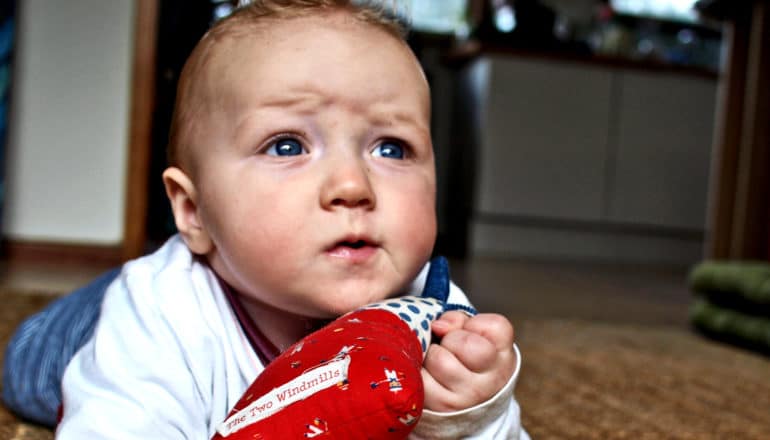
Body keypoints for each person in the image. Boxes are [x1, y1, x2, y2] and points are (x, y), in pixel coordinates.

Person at [2, 1, 528, 438]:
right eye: (286, 145)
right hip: (85, 330)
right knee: (26, 369)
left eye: (391, 148)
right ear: (192, 211)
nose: (352, 186)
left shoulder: (433, 314)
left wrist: (473, 410)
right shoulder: (163, 313)